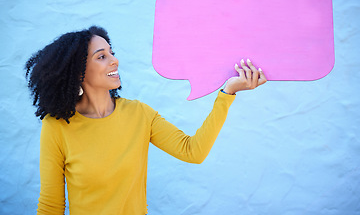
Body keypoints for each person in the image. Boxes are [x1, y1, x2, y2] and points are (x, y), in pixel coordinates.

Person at [25, 26, 267, 214]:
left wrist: (227, 94)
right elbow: (50, 207)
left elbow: (193, 151)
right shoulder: (56, 127)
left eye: (112, 53)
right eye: (101, 56)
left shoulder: (138, 114)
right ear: (78, 71)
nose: (114, 60)